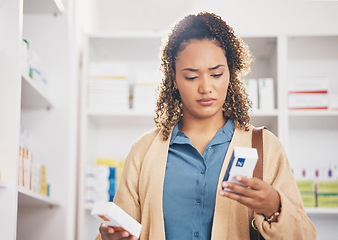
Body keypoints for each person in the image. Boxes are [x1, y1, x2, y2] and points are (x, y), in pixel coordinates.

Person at [97, 12, 316, 240]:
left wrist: (275, 206)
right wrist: (110, 237)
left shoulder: (265, 147)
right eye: (192, 77)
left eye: (216, 74)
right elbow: (120, 227)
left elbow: (305, 235)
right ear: (173, 78)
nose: (206, 87)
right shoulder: (143, 151)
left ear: (230, 72)